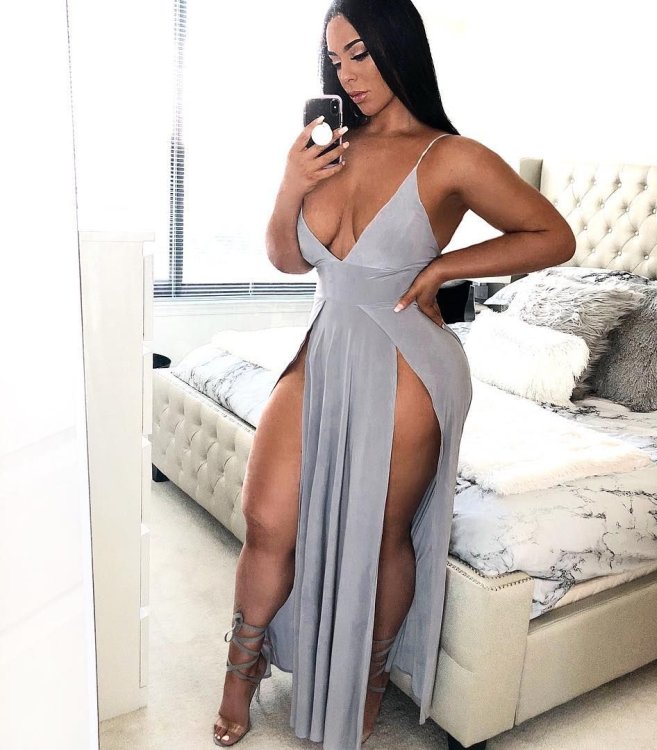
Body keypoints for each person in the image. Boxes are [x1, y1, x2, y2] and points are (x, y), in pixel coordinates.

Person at [213, 1, 575, 747]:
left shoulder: (451, 156)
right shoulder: (329, 148)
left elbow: (552, 236)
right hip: (325, 340)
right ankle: (240, 670)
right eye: (335, 59)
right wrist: (290, 181)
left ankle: (369, 680)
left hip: (409, 354)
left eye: (360, 53)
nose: (347, 73)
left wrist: (444, 267)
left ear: (398, 47)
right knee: (268, 518)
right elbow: (287, 258)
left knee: (383, 536)